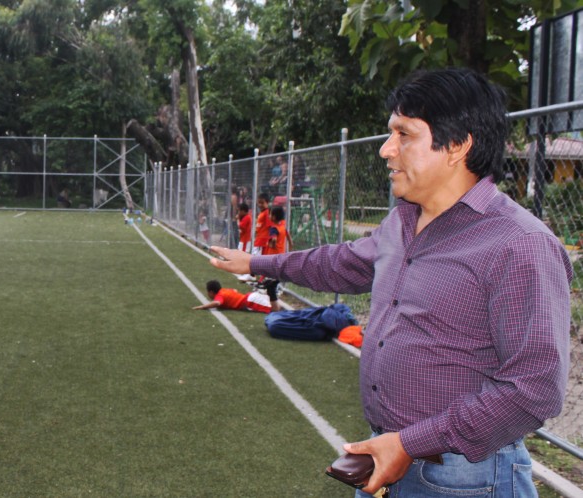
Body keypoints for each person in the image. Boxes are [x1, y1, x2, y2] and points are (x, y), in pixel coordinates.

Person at [208, 68, 571, 497]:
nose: (386, 149)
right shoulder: (402, 223)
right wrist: (258, 262)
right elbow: (338, 263)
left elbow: (534, 388)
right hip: (385, 454)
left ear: (458, 145)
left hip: (466, 478)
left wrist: (410, 443)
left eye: (404, 134)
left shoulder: (519, 245)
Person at [192, 279, 279, 313]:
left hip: (250, 302)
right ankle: (269, 289)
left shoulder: (219, 295)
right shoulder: (224, 290)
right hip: (250, 297)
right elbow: (235, 290)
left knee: (275, 310)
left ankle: (271, 289)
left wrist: (202, 307)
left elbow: (217, 303)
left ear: (211, 292)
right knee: (277, 306)